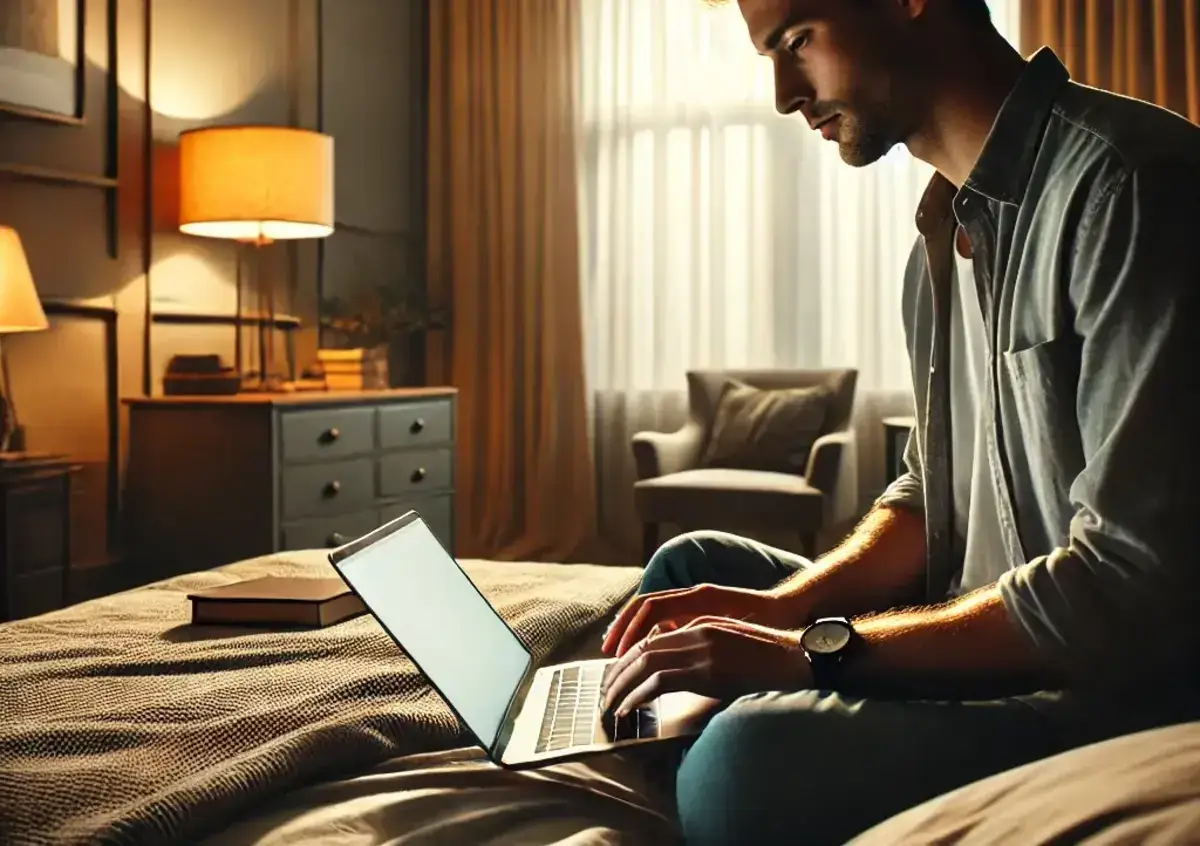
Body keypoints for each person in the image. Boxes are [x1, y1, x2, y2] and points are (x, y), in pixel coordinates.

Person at [597, 1, 1200, 844]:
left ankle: (716, 761)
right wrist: (775, 616)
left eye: (797, 41)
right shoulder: (939, 237)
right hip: (971, 616)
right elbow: (925, 498)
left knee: (742, 764)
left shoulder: (1131, 185)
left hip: (1094, 680)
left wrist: (806, 651)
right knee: (685, 570)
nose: (780, 93)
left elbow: (1125, 590)